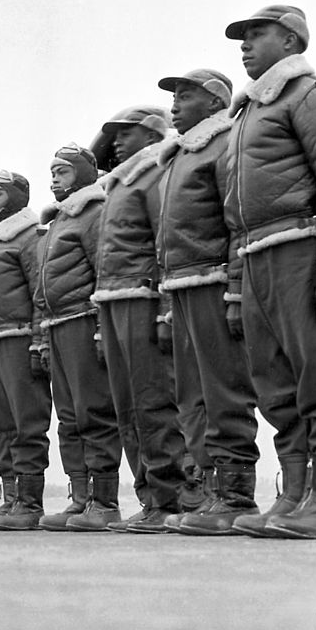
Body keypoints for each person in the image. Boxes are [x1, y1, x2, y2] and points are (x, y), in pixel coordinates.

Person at [221, 4, 316, 539]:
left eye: (256, 35)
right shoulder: (247, 118)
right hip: (256, 258)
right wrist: (238, 287)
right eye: (241, 38)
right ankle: (292, 498)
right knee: (275, 386)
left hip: (301, 251)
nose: (244, 45)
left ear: (290, 42)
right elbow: (235, 214)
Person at [151, 68, 262, 535]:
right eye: (174, 95)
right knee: (191, 398)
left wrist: (236, 288)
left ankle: (236, 495)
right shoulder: (177, 157)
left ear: (216, 103)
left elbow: (238, 223)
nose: (175, 103)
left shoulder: (223, 146)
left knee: (224, 391)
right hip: (180, 287)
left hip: (213, 283)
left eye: (187, 94)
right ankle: (209, 490)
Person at [91, 106, 189, 533]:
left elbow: (165, 241)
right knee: (127, 406)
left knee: (152, 402)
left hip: (143, 295)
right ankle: (149, 498)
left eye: (125, 132)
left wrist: (166, 308)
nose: (114, 140)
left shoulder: (156, 174)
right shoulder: (119, 184)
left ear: (150, 134)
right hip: (113, 298)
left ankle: (170, 498)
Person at [34, 143, 123, 531]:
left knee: (93, 411)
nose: (54, 177)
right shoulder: (56, 223)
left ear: (86, 174)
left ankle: (104, 502)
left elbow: (105, 269)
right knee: (68, 418)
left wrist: (103, 328)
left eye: (63, 170)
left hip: (82, 320)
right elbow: (42, 287)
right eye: (51, 171)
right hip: (56, 326)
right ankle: (80, 497)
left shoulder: (93, 213)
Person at [0, 170, 53, 530]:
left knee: (27, 422)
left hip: (20, 338)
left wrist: (39, 340)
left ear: (19, 196)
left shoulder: (28, 237)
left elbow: (41, 291)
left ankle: (29, 501)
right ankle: (10, 497)